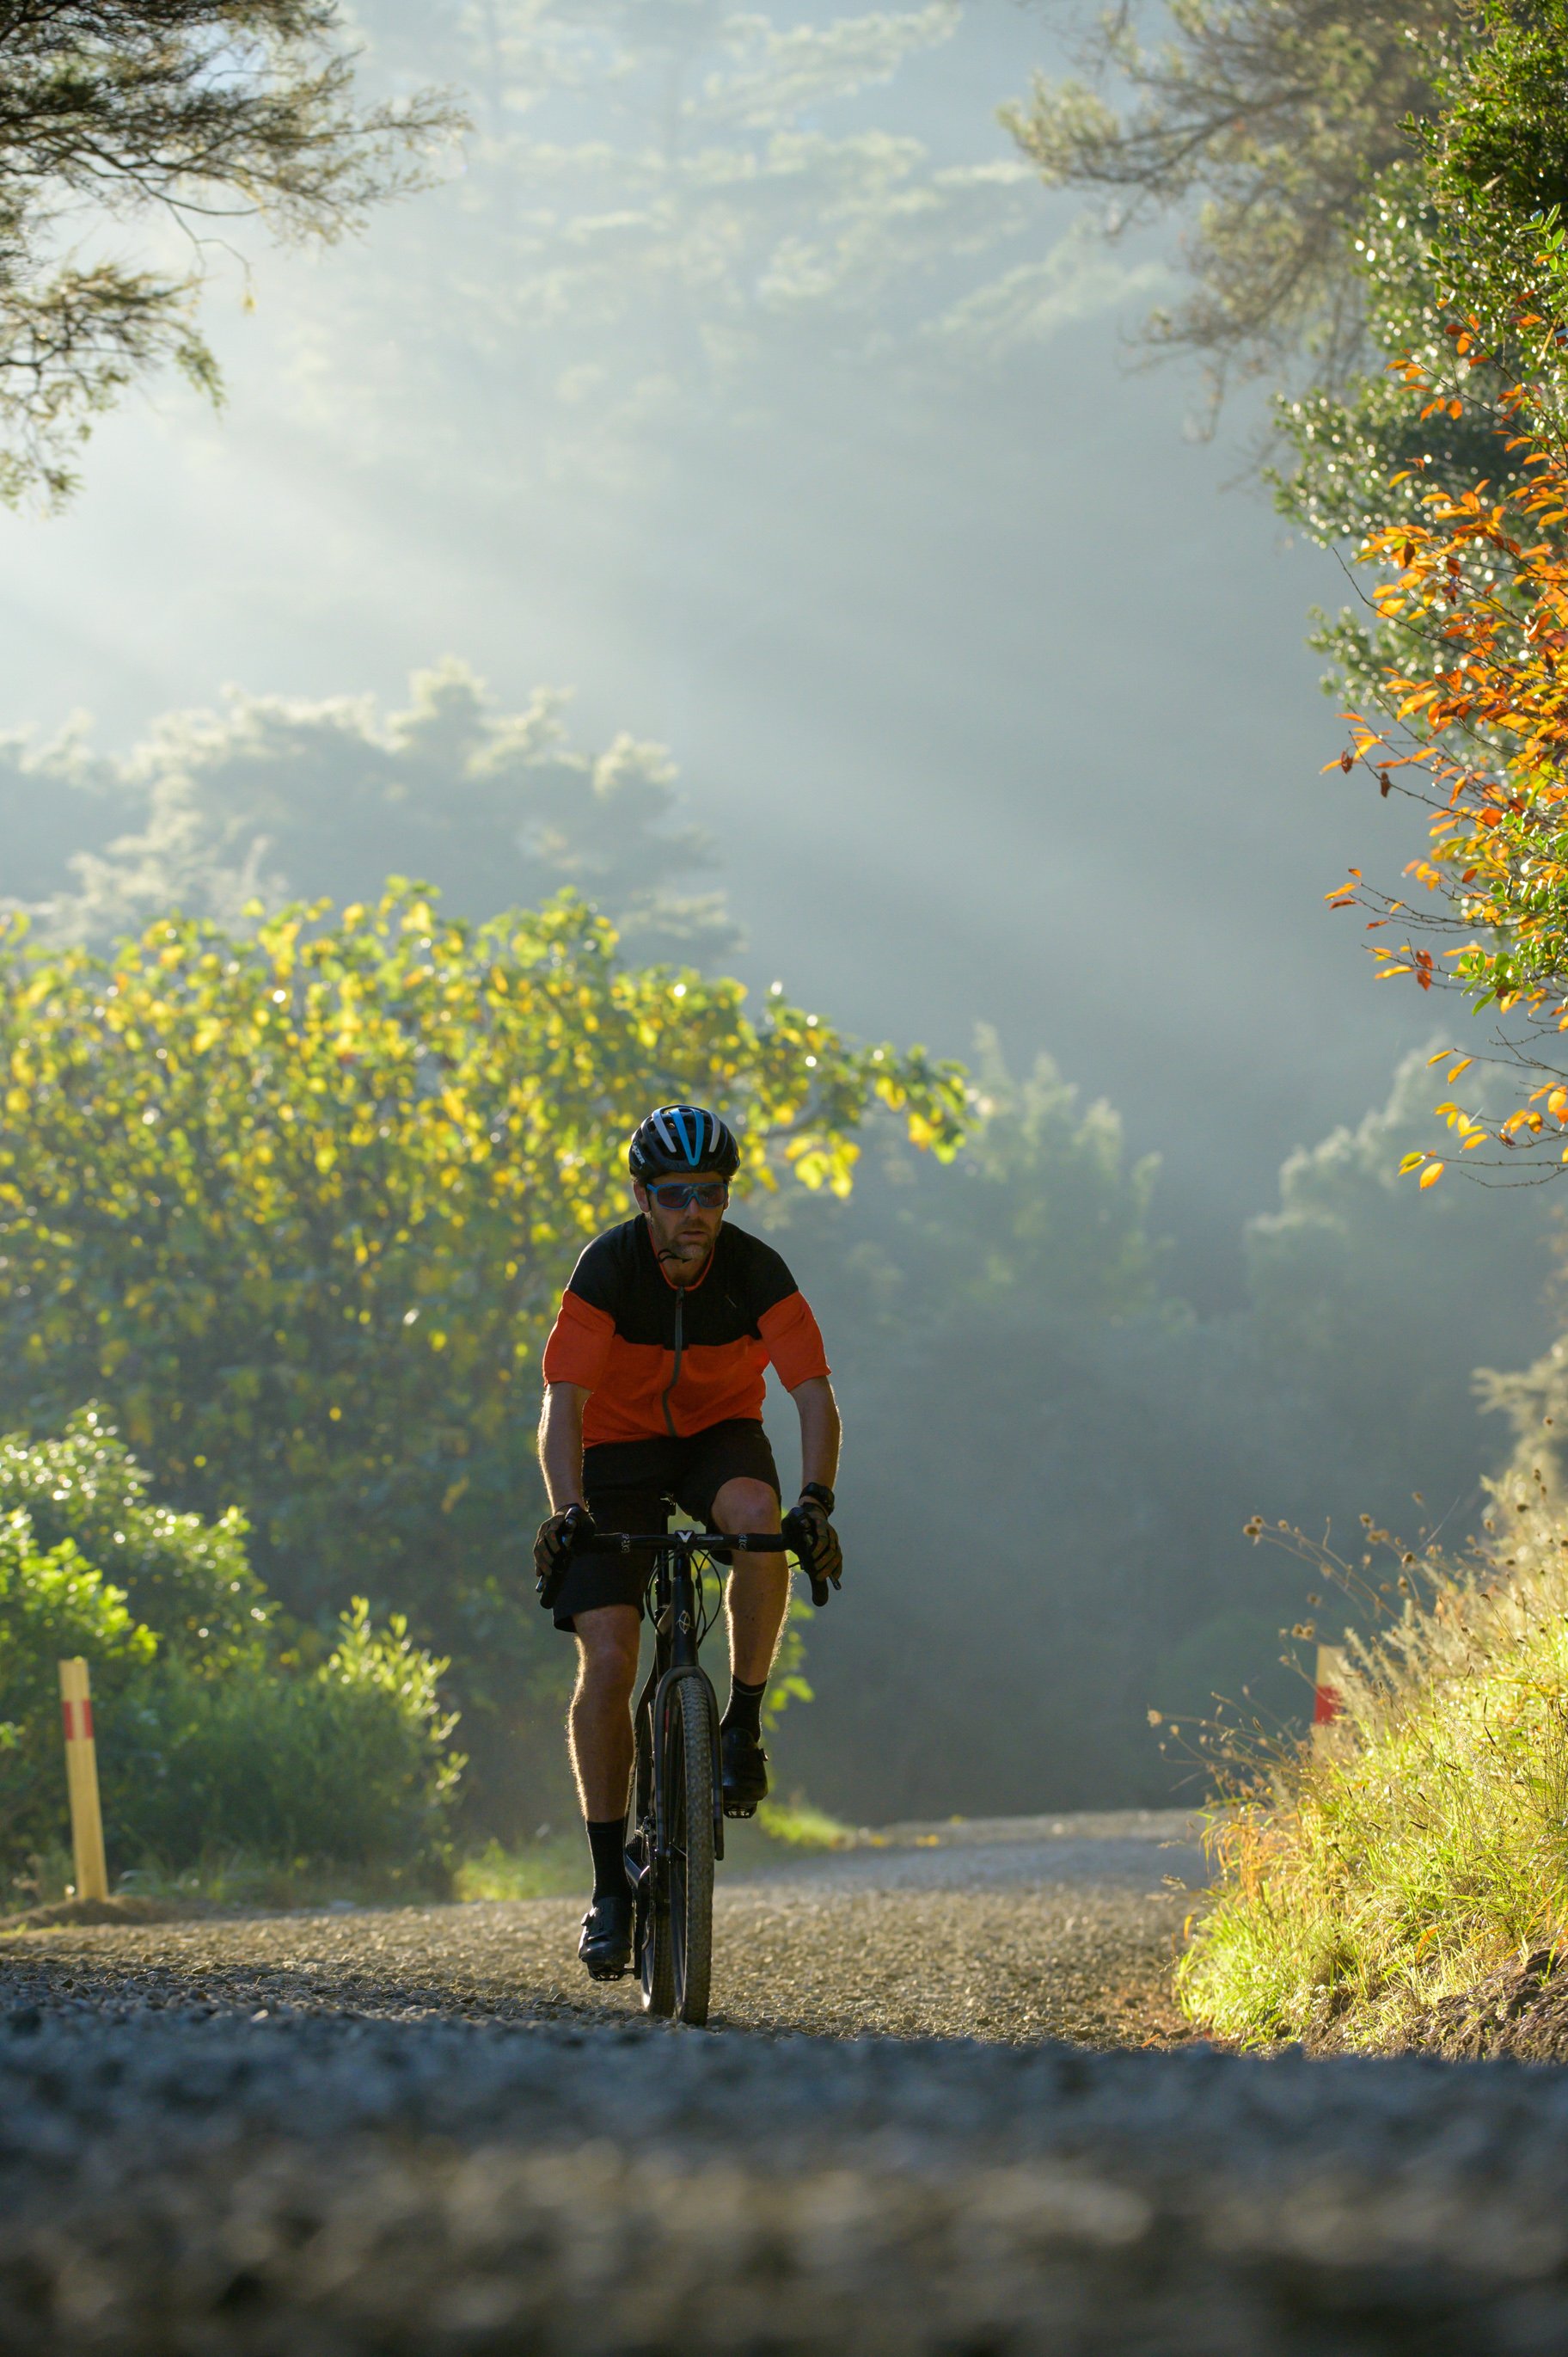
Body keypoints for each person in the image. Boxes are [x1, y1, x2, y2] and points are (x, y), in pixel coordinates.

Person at [534, 1103, 843, 1980]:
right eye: (675, 1194)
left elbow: (814, 1396)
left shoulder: (755, 1270)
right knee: (608, 1653)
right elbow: (563, 1401)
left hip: (718, 1435)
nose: (695, 1211)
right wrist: (567, 1509)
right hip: (619, 1451)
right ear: (643, 1195)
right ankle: (607, 1887)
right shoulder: (608, 1266)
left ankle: (740, 1724)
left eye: (711, 1193)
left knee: (757, 1512)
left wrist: (815, 1502)